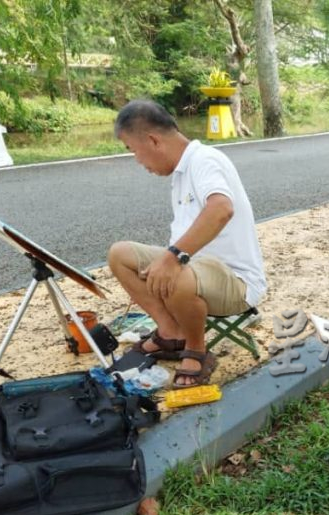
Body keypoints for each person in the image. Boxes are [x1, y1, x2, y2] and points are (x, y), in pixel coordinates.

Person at [108, 100, 267, 388]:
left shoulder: (204, 160)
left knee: (175, 272)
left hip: (236, 281)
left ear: (153, 140)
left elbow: (221, 209)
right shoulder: (181, 173)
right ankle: (170, 332)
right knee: (120, 255)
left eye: (133, 151)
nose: (137, 161)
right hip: (195, 272)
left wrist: (171, 258)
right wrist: (166, 263)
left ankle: (196, 350)